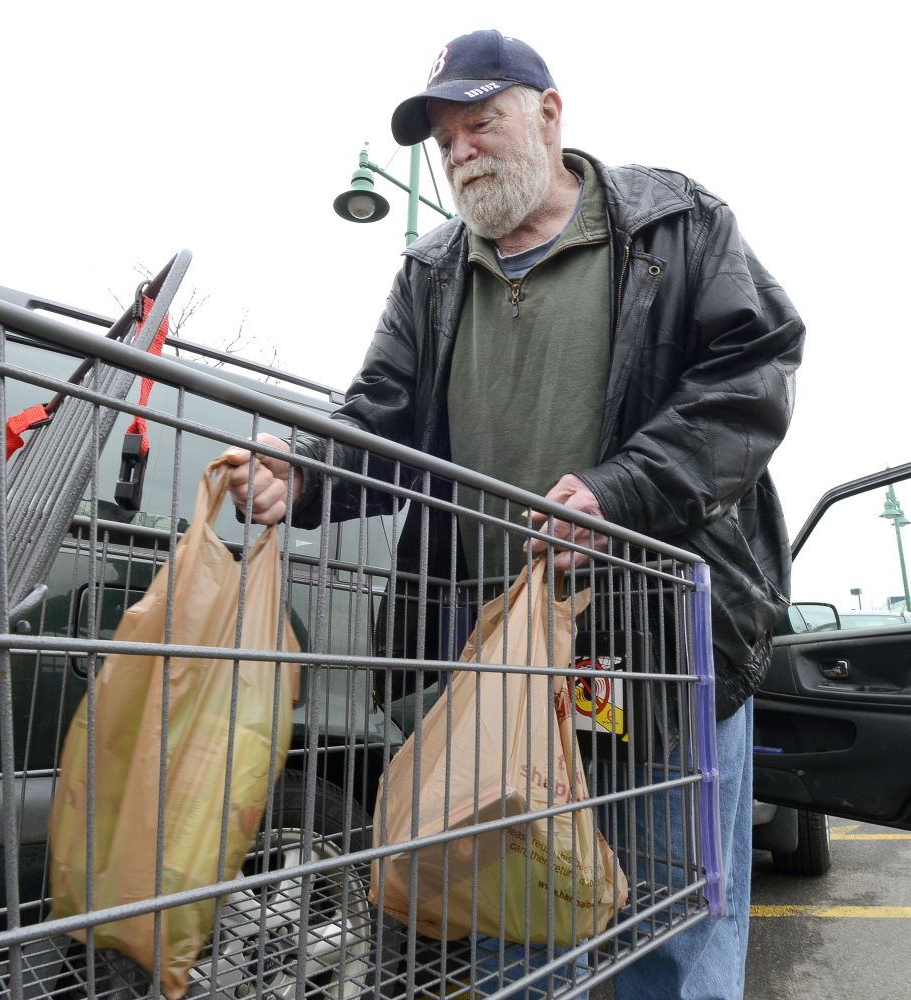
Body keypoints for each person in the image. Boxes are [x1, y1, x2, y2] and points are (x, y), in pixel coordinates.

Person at [225, 29, 804, 1000]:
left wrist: (622, 489)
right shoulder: (433, 269)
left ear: (549, 110)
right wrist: (305, 474)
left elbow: (749, 377)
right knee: (517, 923)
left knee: (674, 915)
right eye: (443, 140)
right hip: (499, 652)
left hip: (655, 636)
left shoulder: (675, 224)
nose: (459, 153)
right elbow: (380, 415)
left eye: (479, 122)